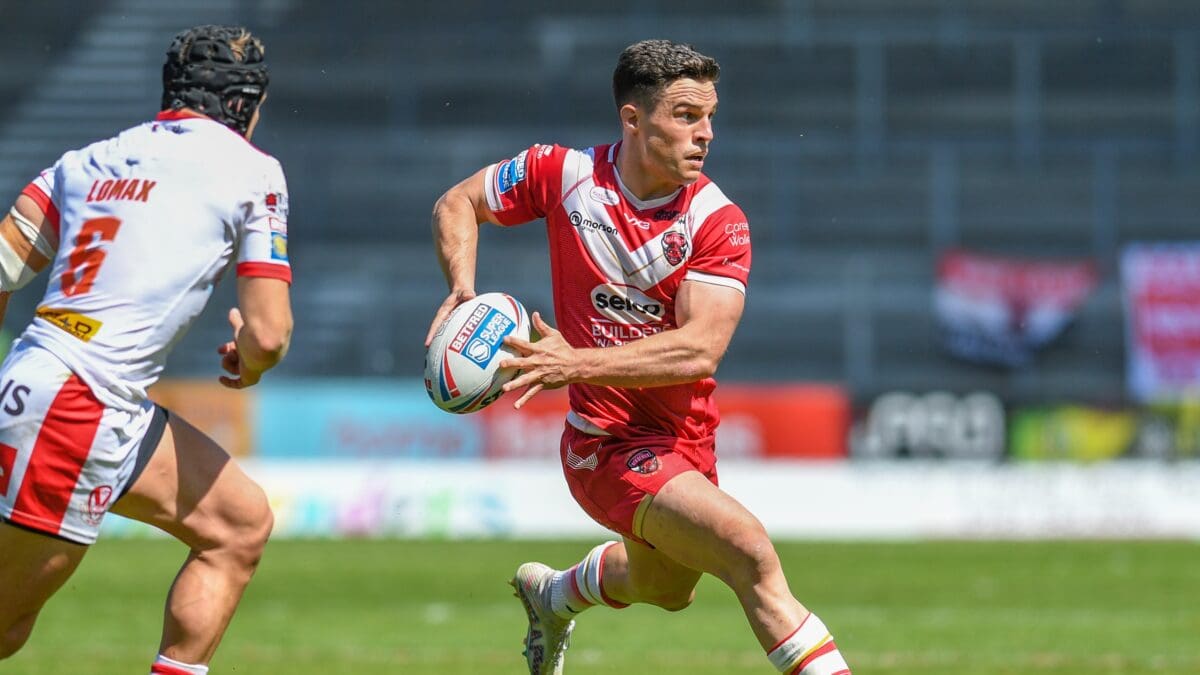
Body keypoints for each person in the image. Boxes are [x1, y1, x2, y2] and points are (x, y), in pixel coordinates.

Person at [426, 39, 851, 675]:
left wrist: (577, 364)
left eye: (709, 117)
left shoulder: (716, 220)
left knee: (668, 590)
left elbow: (700, 349)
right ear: (633, 119)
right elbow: (459, 202)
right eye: (685, 115)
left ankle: (553, 595)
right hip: (606, 445)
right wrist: (462, 288)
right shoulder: (560, 174)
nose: (705, 134)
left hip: (686, 439)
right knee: (748, 554)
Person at [0, 25, 292, 675]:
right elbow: (270, 334)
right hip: (79, 404)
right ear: (245, 104)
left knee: (237, 525)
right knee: (3, 627)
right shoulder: (254, 172)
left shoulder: (82, 161)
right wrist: (251, 354)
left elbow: (2, 268)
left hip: (62, 383)